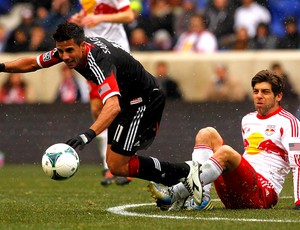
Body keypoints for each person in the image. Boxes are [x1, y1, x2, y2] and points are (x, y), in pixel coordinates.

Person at [0, 21, 203, 205]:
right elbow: (33, 63)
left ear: (82, 45)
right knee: (115, 165)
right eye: (61, 52)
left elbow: (112, 106)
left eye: (69, 51)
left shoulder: (98, 60)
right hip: (127, 101)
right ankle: (182, 180)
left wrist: (87, 134)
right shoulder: (68, 49)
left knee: (120, 163)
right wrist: (1, 67)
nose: (65, 57)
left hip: (144, 101)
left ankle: (185, 173)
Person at [148, 69, 300, 211]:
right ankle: (202, 198)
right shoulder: (248, 119)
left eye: (265, 92)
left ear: (278, 96)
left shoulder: (289, 122)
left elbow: (297, 162)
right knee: (206, 133)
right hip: (235, 193)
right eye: (256, 91)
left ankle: (174, 193)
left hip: (263, 193)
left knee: (225, 152)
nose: (259, 96)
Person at [69, 0, 135, 186]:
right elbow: (87, 17)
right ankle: (108, 166)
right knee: (98, 109)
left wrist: (99, 18)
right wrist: (79, 20)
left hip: (116, 55)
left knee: (120, 109)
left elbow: (128, 15)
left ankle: (126, 162)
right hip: (92, 55)